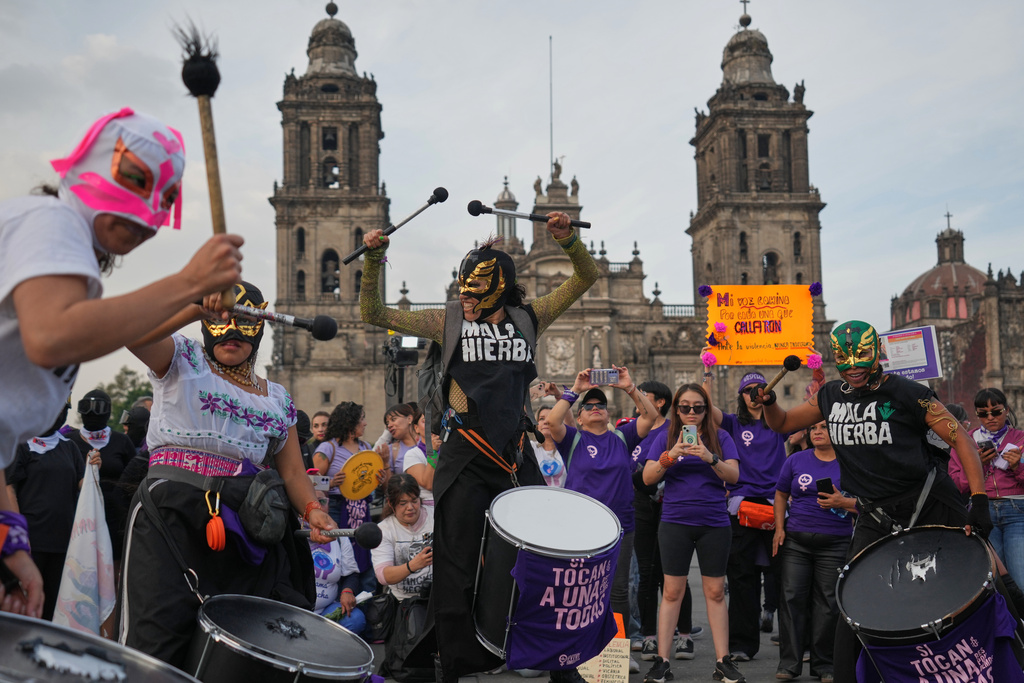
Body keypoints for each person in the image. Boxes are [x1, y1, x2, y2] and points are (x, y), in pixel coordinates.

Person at [0, 108, 242, 618]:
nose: (147, 215)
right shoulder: (51, 220)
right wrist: (189, 282)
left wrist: (11, 544)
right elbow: (51, 338)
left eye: (167, 199)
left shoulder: (68, 253)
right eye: (134, 180)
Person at [360, 212, 598, 682]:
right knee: (457, 566)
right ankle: (455, 665)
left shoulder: (529, 318)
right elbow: (374, 314)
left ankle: (554, 660)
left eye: (474, 289)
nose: (465, 296)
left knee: (544, 560)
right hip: (464, 458)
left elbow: (587, 276)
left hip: (514, 456)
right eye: (462, 287)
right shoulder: (445, 320)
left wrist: (568, 240)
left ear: (500, 286)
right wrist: (373, 260)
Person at [750, 320, 990, 683]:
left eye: (861, 357)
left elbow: (961, 440)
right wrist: (768, 403)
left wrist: (980, 499)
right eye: (844, 360)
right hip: (874, 514)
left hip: (929, 502)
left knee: (982, 581)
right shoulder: (830, 395)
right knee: (854, 605)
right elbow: (782, 423)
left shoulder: (909, 393)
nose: (853, 367)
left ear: (877, 352)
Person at [118, 281, 334, 667]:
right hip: (172, 515)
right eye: (220, 319)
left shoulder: (278, 397)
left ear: (260, 324)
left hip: (246, 527)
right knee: (157, 642)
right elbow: (128, 328)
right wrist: (194, 305)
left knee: (246, 647)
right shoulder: (182, 359)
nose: (231, 330)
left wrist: (313, 510)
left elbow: (293, 473)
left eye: (242, 321)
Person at [546, 367, 657, 672]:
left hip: (620, 527)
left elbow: (650, 418)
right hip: (582, 527)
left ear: (608, 414)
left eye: (601, 406)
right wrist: (574, 390)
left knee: (617, 591)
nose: (596, 409)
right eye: (589, 407)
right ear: (580, 417)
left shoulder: (623, 437)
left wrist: (630, 387)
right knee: (581, 591)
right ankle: (578, 653)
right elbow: (553, 420)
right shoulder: (572, 439)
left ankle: (615, 653)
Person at [641, 383, 745, 683]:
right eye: (684, 407)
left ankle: (723, 661)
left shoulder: (721, 436)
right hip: (675, 521)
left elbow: (734, 476)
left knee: (715, 591)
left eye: (698, 407)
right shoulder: (665, 436)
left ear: (705, 409)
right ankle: (661, 661)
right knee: (672, 591)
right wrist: (671, 454)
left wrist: (709, 456)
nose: (691, 413)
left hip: (714, 521)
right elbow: (648, 477)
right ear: (676, 409)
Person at [704, 371, 788, 663]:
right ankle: (741, 644)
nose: (754, 393)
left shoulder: (779, 423)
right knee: (741, 577)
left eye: (759, 388)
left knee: (785, 576)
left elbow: (809, 413)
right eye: (748, 389)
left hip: (776, 505)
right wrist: (707, 372)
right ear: (740, 395)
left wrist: (815, 373)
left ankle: (794, 644)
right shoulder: (730, 423)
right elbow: (707, 406)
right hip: (741, 506)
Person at [772, 420, 855, 682]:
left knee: (828, 604)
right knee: (791, 598)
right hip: (797, 541)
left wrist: (844, 502)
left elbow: (867, 501)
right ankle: (789, 664)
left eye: (824, 426)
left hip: (836, 542)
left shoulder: (850, 462)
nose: (817, 431)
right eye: (813, 427)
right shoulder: (796, 460)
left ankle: (824, 665)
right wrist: (779, 528)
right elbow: (781, 494)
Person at [631, 380, 701, 662]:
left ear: (659, 402)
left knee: (675, 575)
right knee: (646, 575)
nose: (638, 402)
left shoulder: (672, 431)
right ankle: (648, 636)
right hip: (641, 506)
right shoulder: (632, 428)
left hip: (670, 506)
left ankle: (683, 634)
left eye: (642, 396)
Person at [4, 402, 84, 621]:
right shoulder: (21, 445)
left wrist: (95, 468)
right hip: (32, 539)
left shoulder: (70, 447)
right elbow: (10, 489)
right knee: (28, 603)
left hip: (64, 540)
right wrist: (18, 535)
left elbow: (84, 486)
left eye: (63, 409)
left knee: (54, 605)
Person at [949, 388, 1024, 581]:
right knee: (996, 580)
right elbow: (957, 485)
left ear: (1007, 410)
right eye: (983, 414)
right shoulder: (966, 441)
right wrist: (978, 466)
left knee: (1020, 577)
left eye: (996, 412)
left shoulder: (1020, 438)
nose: (990, 417)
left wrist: (1017, 466)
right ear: (977, 415)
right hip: (984, 510)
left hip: (1016, 510)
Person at [314, 400, 381, 595]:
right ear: (350, 422)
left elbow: (366, 482)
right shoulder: (328, 448)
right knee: (342, 559)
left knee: (365, 556)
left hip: (361, 509)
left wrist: (378, 479)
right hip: (336, 509)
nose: (365, 423)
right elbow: (309, 481)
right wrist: (332, 483)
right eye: (362, 419)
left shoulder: (366, 447)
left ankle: (367, 605)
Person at [372, 474, 434, 679]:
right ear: (391, 503)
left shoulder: (435, 517)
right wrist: (412, 565)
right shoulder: (385, 530)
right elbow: (383, 576)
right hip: (403, 605)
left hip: (436, 600)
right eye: (403, 503)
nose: (410, 508)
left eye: (414, 501)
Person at [68, 389, 137, 568]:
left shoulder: (122, 442)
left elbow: (134, 479)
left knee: (114, 571)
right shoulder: (68, 442)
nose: (92, 414)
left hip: (115, 519)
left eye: (98, 408)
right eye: (87, 408)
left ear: (107, 411)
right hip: (79, 518)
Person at [307, 492, 366, 635]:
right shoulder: (292, 533)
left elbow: (351, 574)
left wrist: (347, 591)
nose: (318, 507)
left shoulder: (339, 536)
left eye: (322, 501)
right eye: (312, 502)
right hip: (296, 609)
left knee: (356, 619)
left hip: (326, 611)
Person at [403, 409, 439, 507]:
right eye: (425, 421)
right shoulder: (412, 455)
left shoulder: (449, 450)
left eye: (434, 420)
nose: (430, 425)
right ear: (416, 428)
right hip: (428, 509)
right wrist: (433, 452)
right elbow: (428, 484)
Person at [531, 405, 566, 488]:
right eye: (541, 419)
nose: (546, 422)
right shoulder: (531, 448)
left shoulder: (567, 449)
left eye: (551, 418)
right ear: (537, 425)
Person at [384, 404, 419, 476]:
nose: (389, 425)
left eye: (393, 419)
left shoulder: (429, 442)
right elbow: (389, 485)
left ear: (409, 419)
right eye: (387, 423)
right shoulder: (390, 450)